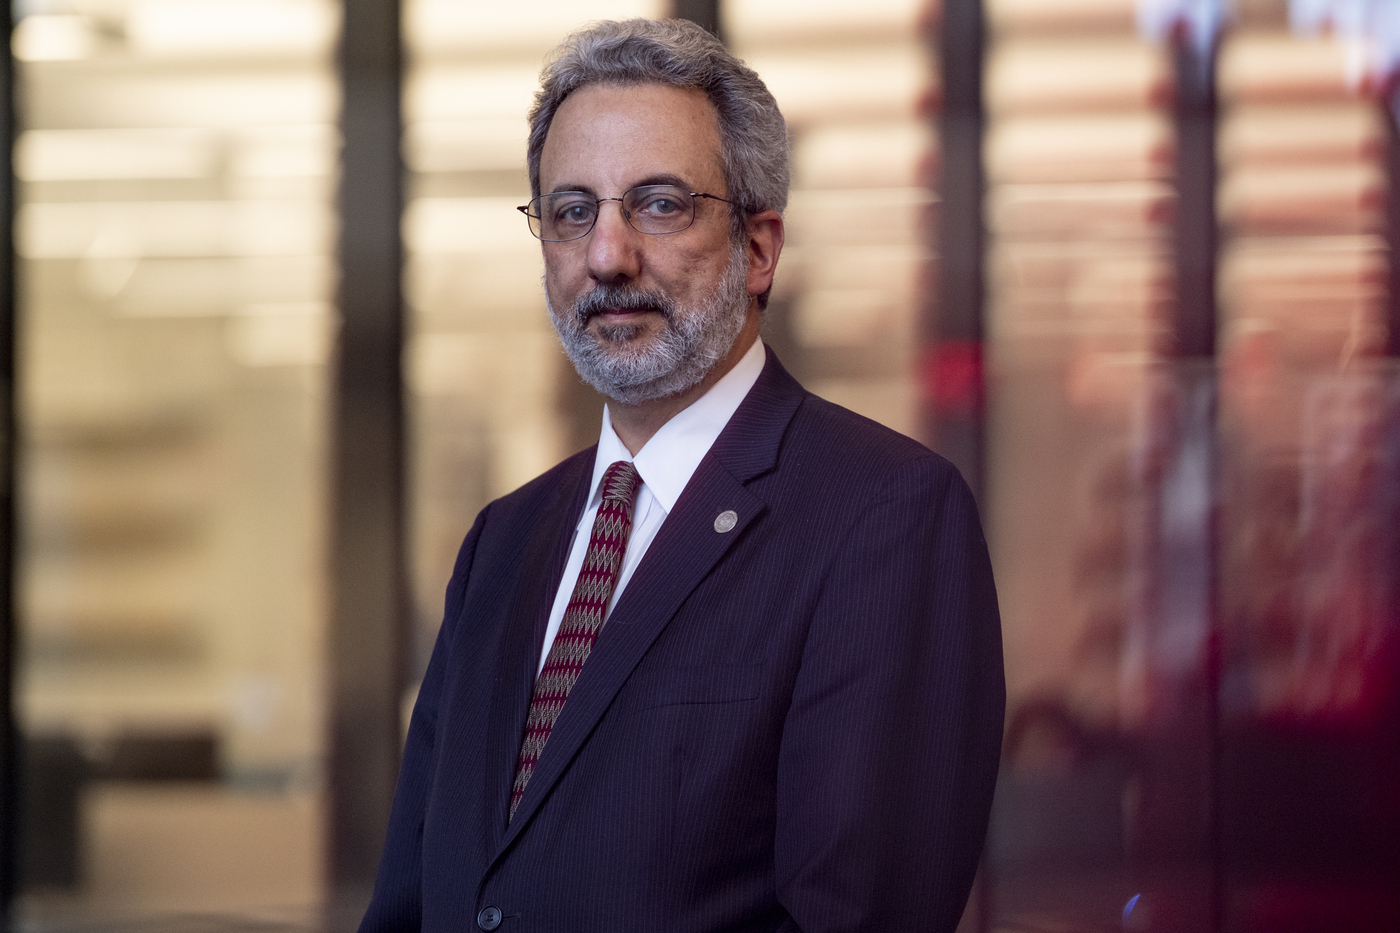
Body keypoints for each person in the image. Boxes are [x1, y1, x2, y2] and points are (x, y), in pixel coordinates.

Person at [360, 18, 1004, 933]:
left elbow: (859, 916)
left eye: (658, 204)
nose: (607, 255)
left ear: (759, 248)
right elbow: (416, 899)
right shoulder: (504, 541)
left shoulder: (884, 515)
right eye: (572, 210)